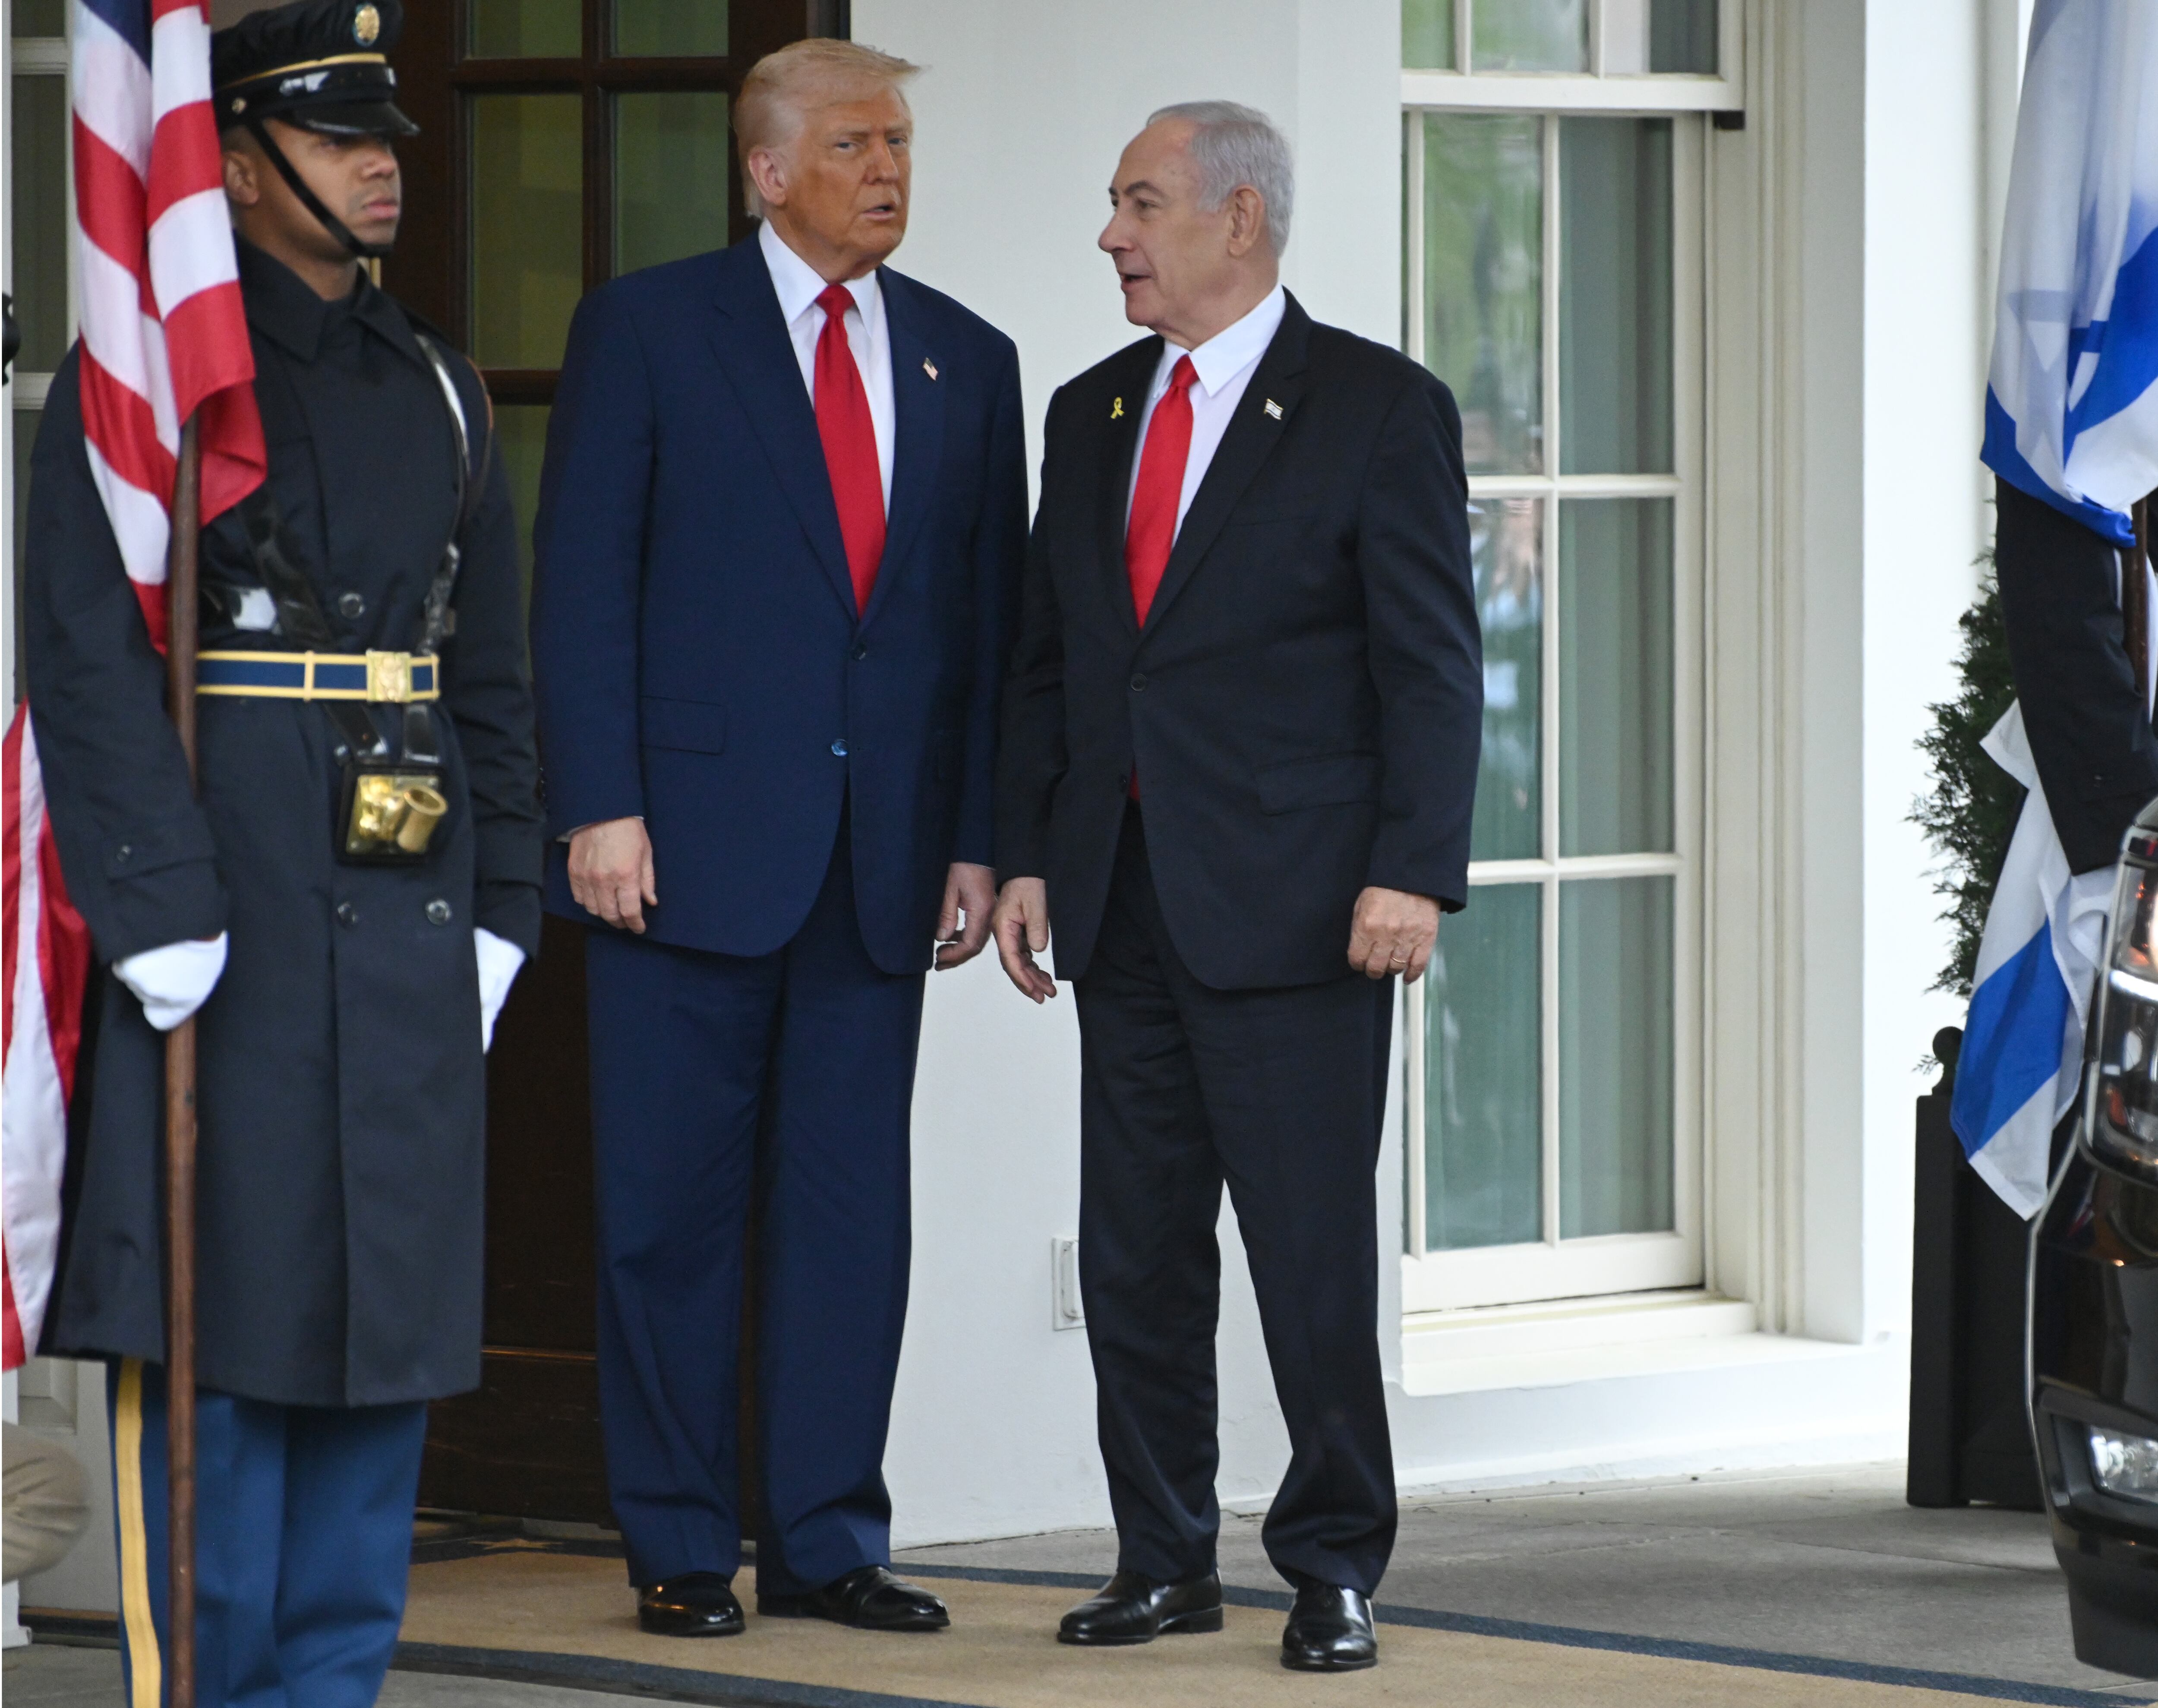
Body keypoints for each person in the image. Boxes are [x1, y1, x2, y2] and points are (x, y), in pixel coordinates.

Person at [22, 1, 541, 1700]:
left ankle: (335, 1686)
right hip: (225, 907)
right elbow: (90, 661)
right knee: (222, 1352)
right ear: (232, 163)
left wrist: (505, 908)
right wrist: (156, 904)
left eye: (385, 141)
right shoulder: (146, 381)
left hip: (404, 917)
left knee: (377, 1346)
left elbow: (496, 676)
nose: (384, 170)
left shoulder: (440, 386)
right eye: (339, 142)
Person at [530, 39, 1026, 1638]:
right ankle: (680, 1540)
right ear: (765, 167)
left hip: (880, 868)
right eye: (855, 145)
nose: (889, 169)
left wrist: (974, 835)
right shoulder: (653, 329)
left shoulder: (968, 354)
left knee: (845, 1217)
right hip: (677, 854)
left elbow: (983, 630)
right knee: (668, 1216)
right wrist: (597, 804)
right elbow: (584, 582)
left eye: (899, 144)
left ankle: (828, 1537)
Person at [990, 102, 1480, 1673]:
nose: (1114, 235)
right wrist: (1020, 855)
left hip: (1303, 911)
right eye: (1114, 203)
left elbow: (1431, 669)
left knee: (1310, 1262)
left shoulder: (1376, 407)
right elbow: (1048, 666)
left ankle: (1334, 1563)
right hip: (1121, 904)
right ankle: (1163, 1557)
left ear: (1241, 222)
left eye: (1139, 203)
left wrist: (1414, 871)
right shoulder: (1089, 413)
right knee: (1135, 1256)